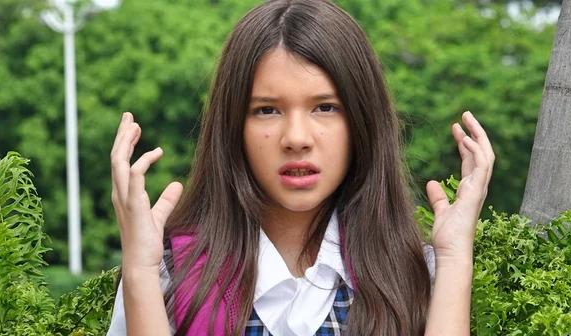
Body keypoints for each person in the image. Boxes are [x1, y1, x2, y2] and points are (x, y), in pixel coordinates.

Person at [107, 0, 494, 335]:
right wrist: (139, 269)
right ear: (233, 127)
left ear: (361, 121)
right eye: (267, 110)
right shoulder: (173, 273)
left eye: (325, 107)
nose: (296, 137)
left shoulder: (411, 272)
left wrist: (455, 258)